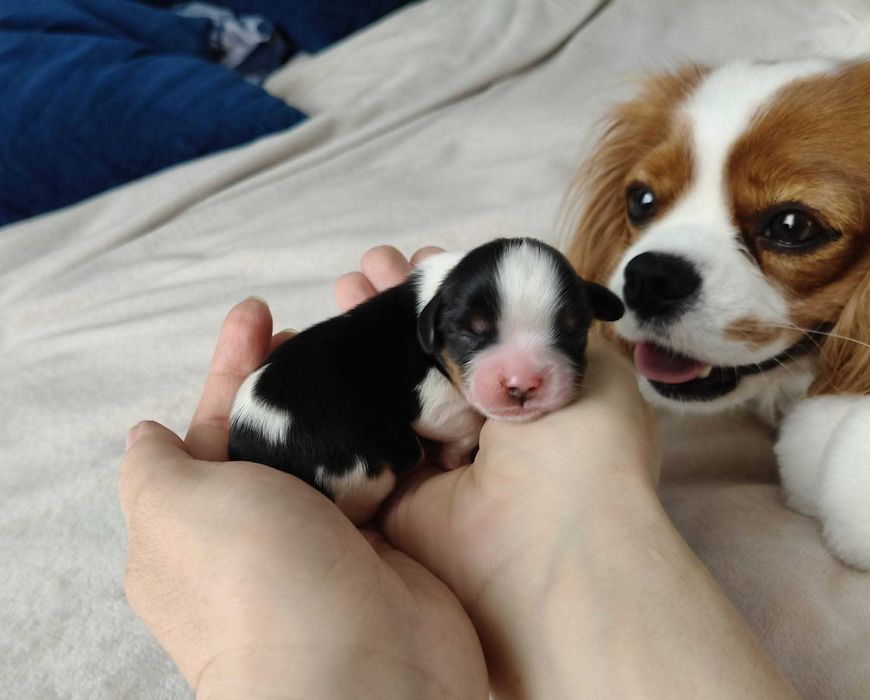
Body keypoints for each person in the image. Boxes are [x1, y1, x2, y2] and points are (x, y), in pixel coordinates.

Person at [119, 246, 800, 699]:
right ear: (436, 327)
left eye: (562, 335)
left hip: (304, 432)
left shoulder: (444, 312)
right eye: (479, 336)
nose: (522, 377)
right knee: (388, 448)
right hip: (327, 455)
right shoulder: (419, 332)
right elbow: (430, 408)